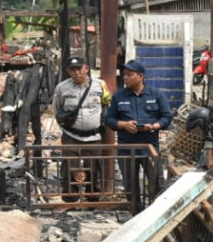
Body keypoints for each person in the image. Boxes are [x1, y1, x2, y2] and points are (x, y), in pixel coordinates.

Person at [106, 59, 174, 210]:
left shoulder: (156, 95)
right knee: (131, 185)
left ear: (141, 76)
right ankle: (135, 215)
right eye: (124, 75)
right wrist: (124, 125)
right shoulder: (119, 96)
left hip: (149, 147)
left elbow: (167, 117)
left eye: (129, 75)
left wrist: (153, 126)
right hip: (126, 148)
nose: (125, 78)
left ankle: (156, 213)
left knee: (156, 182)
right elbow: (109, 119)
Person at [52, 55, 111, 196]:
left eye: (79, 68)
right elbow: (57, 110)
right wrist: (64, 130)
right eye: (72, 69)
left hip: (93, 136)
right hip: (71, 136)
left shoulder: (100, 85)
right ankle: (71, 197)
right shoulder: (62, 88)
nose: (76, 72)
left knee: (94, 168)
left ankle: (92, 199)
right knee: (71, 168)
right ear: (68, 71)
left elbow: (107, 104)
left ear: (86, 69)